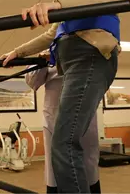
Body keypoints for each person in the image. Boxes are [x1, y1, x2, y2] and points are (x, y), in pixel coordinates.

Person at [0, 0, 120, 193]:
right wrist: (18, 52)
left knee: (64, 144)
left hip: (89, 56)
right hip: (74, 62)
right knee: (64, 143)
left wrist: (55, 4)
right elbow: (51, 34)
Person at [25, 51, 101, 194]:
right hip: (54, 120)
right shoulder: (51, 46)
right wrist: (42, 60)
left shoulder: (89, 43)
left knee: (87, 168)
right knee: (56, 170)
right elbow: (32, 82)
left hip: (85, 120)